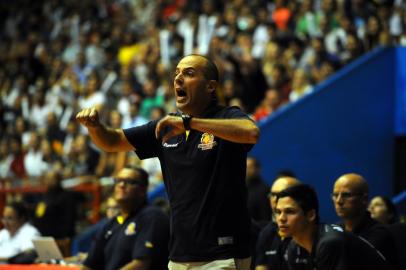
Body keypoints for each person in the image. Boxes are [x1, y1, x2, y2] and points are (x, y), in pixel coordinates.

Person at [77, 54, 260, 270]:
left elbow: (251, 133)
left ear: (211, 87)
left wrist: (190, 123)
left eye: (189, 73)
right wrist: (95, 127)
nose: (178, 79)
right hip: (179, 256)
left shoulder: (226, 116)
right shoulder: (166, 127)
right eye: (176, 74)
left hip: (222, 254)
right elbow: (112, 141)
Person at [275, 184, 391, 270]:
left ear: (311, 215)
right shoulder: (294, 247)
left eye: (289, 212)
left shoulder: (330, 242)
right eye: (278, 212)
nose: (281, 218)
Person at [81, 167, 170, 270]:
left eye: (129, 182)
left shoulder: (153, 216)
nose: (121, 185)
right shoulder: (112, 223)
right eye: (118, 180)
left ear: (143, 189)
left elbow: (141, 265)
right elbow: (89, 264)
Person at [332, 173, 397, 268]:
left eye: (346, 195)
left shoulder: (379, 234)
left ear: (364, 199)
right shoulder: (335, 229)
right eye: (335, 195)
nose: (338, 201)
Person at [255, 176, 308, 270]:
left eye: (282, 194)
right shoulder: (267, 233)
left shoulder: (310, 235)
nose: (276, 200)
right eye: (273, 195)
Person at [369, 195, 406, 270]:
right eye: (370, 205)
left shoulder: (399, 230)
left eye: (377, 204)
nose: (371, 208)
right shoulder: (364, 233)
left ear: (390, 214)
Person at [246, 157, 270, 224]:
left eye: (249, 167)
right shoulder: (240, 187)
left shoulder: (264, 190)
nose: (246, 170)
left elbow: (265, 217)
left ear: (257, 169)